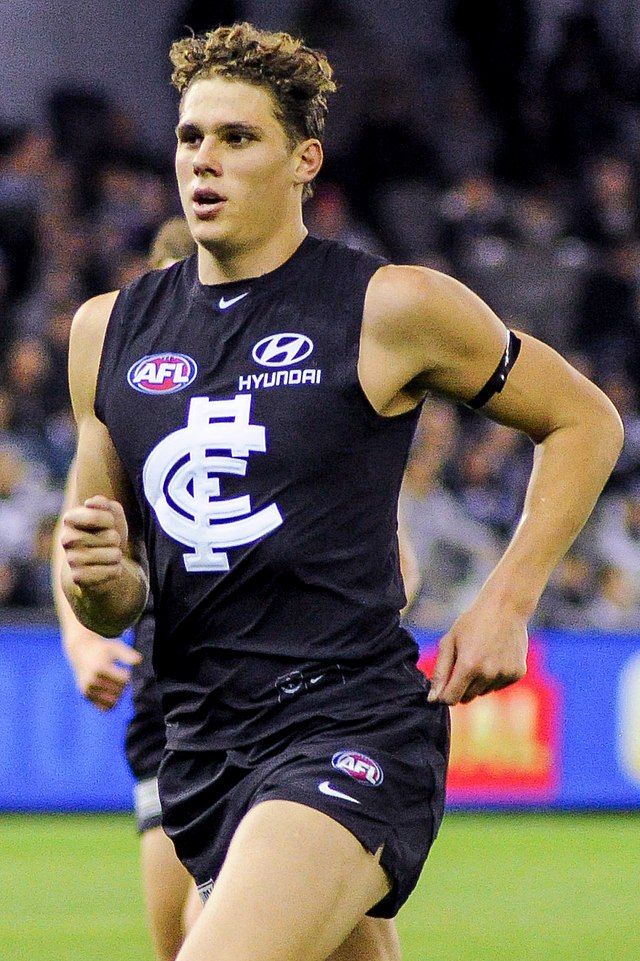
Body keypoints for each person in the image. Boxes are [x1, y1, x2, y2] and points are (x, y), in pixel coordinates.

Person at [59, 22, 623, 961]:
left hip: (344, 723)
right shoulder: (104, 332)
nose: (205, 159)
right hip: (198, 744)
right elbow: (113, 586)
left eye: (238, 138)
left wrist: (505, 601)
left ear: (302, 160)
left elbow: (586, 421)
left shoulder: (392, 306)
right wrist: (94, 587)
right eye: (191, 137)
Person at [53, 216, 202, 961]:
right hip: (166, 683)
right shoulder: (136, 384)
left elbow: (395, 553)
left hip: (280, 670)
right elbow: (80, 528)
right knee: (177, 941)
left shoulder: (290, 391)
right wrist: (83, 638)